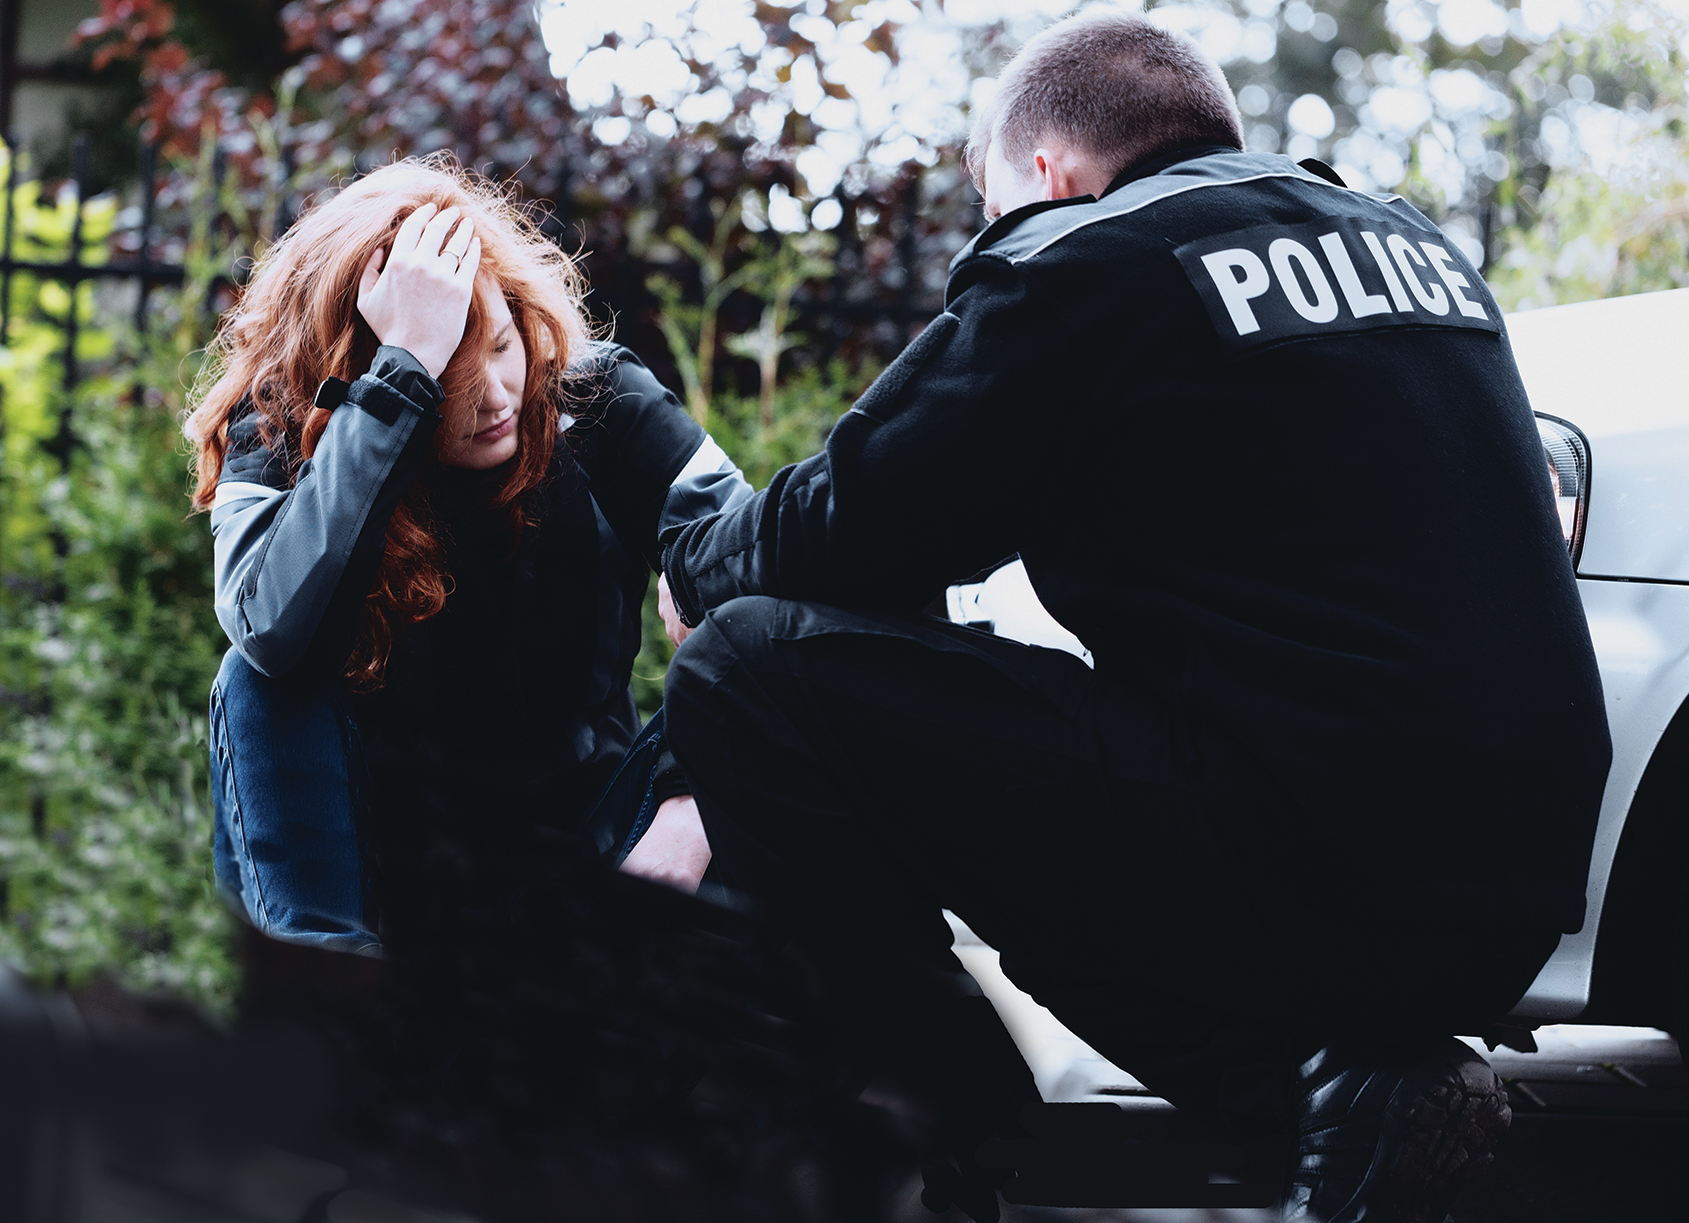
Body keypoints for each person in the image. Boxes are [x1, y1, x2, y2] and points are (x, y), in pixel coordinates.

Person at [656, 11, 1612, 1223]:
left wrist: (695, 559)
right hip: (1512, 893)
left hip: (1312, 868)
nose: (986, 231)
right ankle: (1354, 1087)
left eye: (988, 196)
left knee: (747, 665)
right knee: (1087, 826)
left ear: (1045, 173)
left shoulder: (1083, 257)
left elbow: (844, 525)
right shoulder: (1409, 242)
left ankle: (932, 1133)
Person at [187, 158, 745, 958]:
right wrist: (398, 381)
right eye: (450, 370)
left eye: (500, 344)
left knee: (757, 635)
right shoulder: (280, 429)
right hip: (379, 878)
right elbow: (271, 631)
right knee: (257, 676)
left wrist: (688, 803)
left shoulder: (595, 398)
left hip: (583, 841)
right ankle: (329, 1009)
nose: (492, 394)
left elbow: (763, 571)